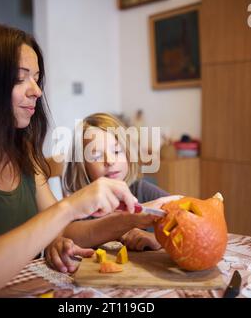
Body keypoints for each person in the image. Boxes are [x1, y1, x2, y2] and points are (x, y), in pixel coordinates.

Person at [0, 24, 141, 297]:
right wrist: (69, 207)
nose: (37, 92)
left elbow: (63, 230)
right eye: (21, 79)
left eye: (37, 78)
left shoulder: (25, 154)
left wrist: (139, 217)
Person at [45, 113, 180, 272]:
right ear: (82, 165)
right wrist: (62, 244)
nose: (109, 160)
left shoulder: (142, 189)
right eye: (96, 155)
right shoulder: (79, 204)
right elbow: (64, 237)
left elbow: (189, 219)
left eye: (117, 151)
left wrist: (158, 239)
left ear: (128, 155)